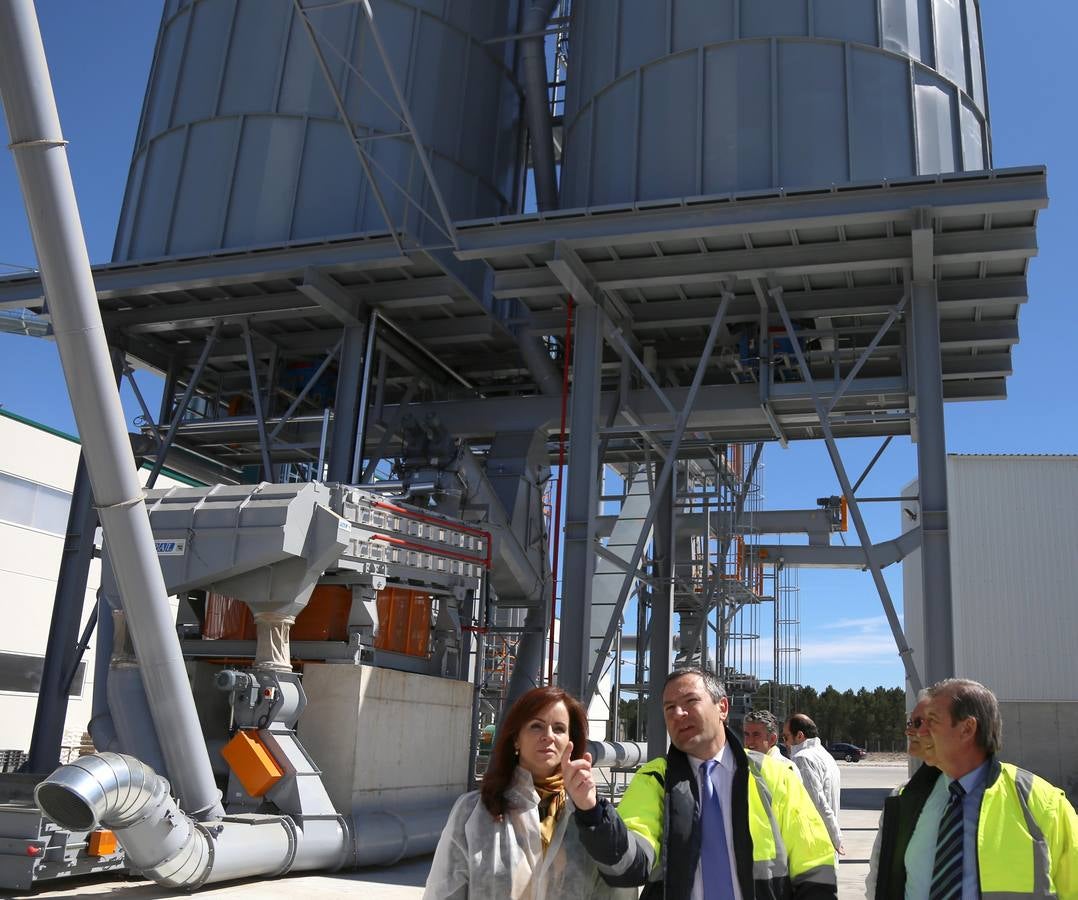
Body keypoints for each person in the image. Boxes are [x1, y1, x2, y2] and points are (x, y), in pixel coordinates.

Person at [566, 666, 837, 898]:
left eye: (690, 702)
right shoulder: (655, 779)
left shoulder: (773, 775)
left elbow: (814, 865)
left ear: (722, 708)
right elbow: (627, 866)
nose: (678, 713)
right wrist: (592, 812)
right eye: (669, 707)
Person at [870, 678, 1078, 899]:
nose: (919, 732)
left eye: (931, 721)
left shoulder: (1042, 803)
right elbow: (878, 885)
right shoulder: (904, 800)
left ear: (967, 728)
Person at [423, 685, 636, 899]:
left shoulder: (589, 815)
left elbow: (621, 882)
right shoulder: (473, 812)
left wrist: (592, 812)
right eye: (536, 726)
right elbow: (443, 891)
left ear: (570, 741)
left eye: (559, 728)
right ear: (516, 739)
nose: (548, 736)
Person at [865, 696, 933, 897]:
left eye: (918, 723)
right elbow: (879, 868)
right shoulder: (901, 795)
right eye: (910, 723)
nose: (909, 731)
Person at [784, 713, 844, 855]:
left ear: (799, 736)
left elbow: (817, 803)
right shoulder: (825, 755)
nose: (784, 743)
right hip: (825, 842)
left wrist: (836, 838)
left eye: (785, 737)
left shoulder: (802, 759)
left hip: (814, 844)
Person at [742, 709, 801, 780]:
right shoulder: (737, 766)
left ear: (772, 739)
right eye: (746, 734)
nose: (749, 741)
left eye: (756, 735)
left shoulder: (787, 769)